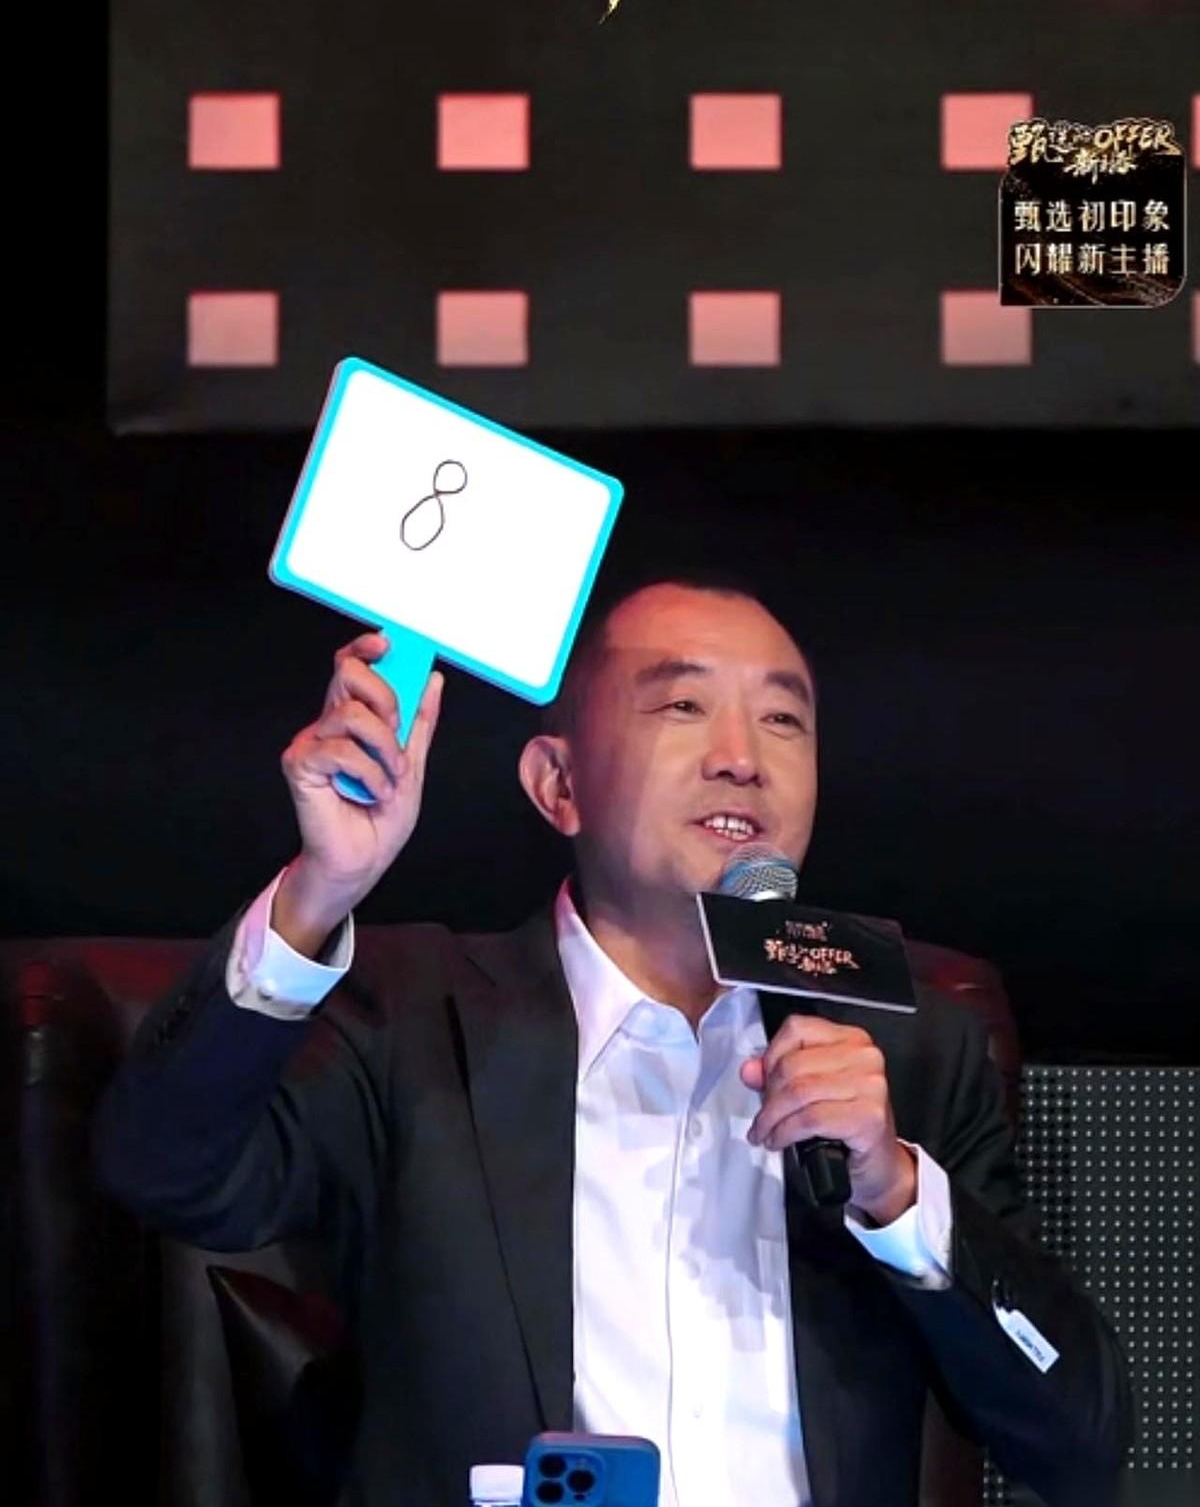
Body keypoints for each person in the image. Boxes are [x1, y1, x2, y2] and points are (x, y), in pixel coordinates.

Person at [93, 575, 1130, 1507]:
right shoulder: (415, 1020)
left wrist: (899, 1194)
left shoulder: (904, 1052)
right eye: (684, 706)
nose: (742, 758)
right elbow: (164, 1169)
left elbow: (1079, 1443)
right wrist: (321, 891)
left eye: (783, 718)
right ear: (560, 784)